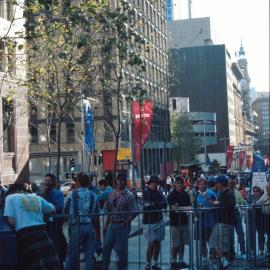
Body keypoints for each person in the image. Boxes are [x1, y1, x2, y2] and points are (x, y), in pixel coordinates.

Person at [4, 183, 60, 270]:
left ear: (12, 191)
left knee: (32, 265)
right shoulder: (36, 197)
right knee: (49, 263)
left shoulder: (10, 198)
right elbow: (53, 208)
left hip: (25, 235)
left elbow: (11, 221)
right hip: (42, 232)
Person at [65, 172, 100, 270]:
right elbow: (97, 212)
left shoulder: (72, 194)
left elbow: (65, 209)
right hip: (89, 226)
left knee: (73, 254)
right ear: (88, 182)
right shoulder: (93, 195)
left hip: (76, 226)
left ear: (78, 182)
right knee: (89, 254)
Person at [103, 172, 137, 270]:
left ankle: (123, 268)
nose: (120, 182)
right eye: (118, 180)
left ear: (125, 182)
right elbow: (109, 209)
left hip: (122, 226)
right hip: (112, 225)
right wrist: (106, 224)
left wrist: (126, 222)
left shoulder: (129, 196)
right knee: (106, 246)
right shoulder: (112, 193)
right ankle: (105, 267)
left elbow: (134, 211)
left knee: (122, 250)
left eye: (122, 180)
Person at [37, 173, 67, 267]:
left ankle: (59, 262)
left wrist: (47, 206)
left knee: (57, 245)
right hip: (43, 225)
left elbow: (58, 207)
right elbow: (38, 207)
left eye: (49, 181)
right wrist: (43, 194)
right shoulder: (39, 194)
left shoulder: (58, 194)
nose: (47, 183)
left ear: (53, 182)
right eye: (45, 181)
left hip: (55, 225)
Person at [209, 175, 236, 269]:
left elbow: (231, 204)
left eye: (217, 183)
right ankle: (223, 261)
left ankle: (225, 262)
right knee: (214, 242)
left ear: (221, 183)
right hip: (220, 222)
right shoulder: (221, 193)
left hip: (225, 222)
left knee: (222, 244)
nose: (216, 184)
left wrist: (218, 203)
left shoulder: (229, 193)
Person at [143, 175, 167, 270]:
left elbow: (164, 204)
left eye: (156, 183)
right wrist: (158, 205)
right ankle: (148, 263)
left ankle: (155, 262)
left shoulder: (159, 192)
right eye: (153, 182)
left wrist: (155, 204)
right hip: (149, 221)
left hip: (158, 220)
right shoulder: (146, 192)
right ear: (150, 183)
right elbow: (148, 205)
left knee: (157, 242)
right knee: (151, 243)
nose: (155, 184)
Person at [167, 176, 190, 269]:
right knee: (176, 243)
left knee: (182, 243)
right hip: (175, 223)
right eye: (178, 182)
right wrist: (183, 208)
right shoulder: (171, 195)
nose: (179, 184)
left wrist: (180, 208)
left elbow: (189, 206)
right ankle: (173, 260)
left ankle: (181, 260)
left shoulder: (186, 194)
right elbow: (172, 207)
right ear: (175, 184)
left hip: (184, 221)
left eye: (181, 182)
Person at [194, 176, 217, 267]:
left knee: (211, 242)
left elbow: (215, 205)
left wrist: (210, 204)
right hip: (200, 221)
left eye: (203, 183)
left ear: (206, 184)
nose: (201, 185)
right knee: (202, 241)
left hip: (210, 221)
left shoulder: (211, 193)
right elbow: (195, 206)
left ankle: (214, 258)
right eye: (199, 184)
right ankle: (204, 259)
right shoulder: (197, 194)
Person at [228, 175, 246, 259]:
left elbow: (242, 201)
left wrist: (244, 201)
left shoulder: (236, 191)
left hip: (236, 214)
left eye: (233, 180)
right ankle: (232, 252)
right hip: (229, 215)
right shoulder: (225, 191)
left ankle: (243, 251)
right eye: (230, 180)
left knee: (240, 233)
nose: (232, 182)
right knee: (230, 235)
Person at [247, 186, 265, 258]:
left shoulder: (262, 197)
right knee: (251, 234)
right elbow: (248, 206)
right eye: (254, 191)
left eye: (256, 191)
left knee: (261, 235)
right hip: (251, 218)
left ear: (259, 192)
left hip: (260, 219)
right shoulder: (251, 197)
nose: (255, 192)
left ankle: (261, 250)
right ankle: (251, 250)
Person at [256, 182, 270, 258]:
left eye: (268, 188)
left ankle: (268, 250)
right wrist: (265, 201)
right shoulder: (265, 195)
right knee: (261, 234)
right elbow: (258, 203)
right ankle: (261, 250)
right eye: (267, 188)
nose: (267, 190)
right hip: (264, 217)